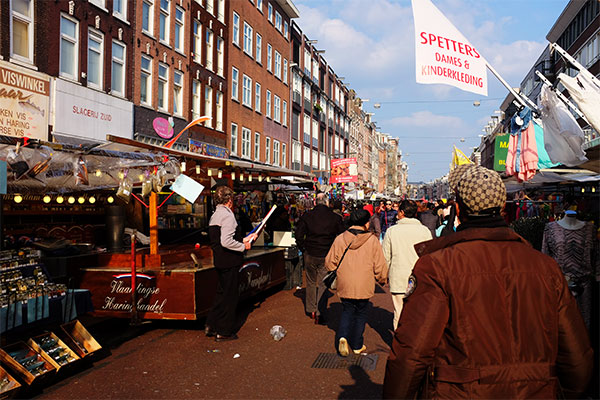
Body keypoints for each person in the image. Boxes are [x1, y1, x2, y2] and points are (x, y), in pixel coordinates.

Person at [383, 165, 593, 399]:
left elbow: (412, 352)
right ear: (503, 208)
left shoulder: (437, 266)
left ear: (459, 209)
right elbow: (577, 357)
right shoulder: (546, 268)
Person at [325, 210, 388, 356]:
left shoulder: (340, 238)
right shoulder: (372, 240)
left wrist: (338, 269)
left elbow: (329, 262)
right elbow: (379, 263)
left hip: (345, 281)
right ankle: (357, 344)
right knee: (361, 314)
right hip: (364, 282)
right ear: (366, 223)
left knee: (347, 311)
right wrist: (381, 278)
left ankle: (342, 336)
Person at [206, 185, 256, 342]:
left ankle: (211, 324)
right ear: (229, 200)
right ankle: (224, 331)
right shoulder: (228, 216)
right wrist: (243, 246)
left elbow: (222, 239)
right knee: (230, 296)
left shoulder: (215, 215)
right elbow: (226, 241)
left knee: (221, 294)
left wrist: (243, 239)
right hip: (229, 260)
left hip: (220, 260)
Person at [295, 193, 345, 324]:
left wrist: (303, 248)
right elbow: (342, 235)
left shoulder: (307, 216)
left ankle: (311, 308)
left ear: (315, 202)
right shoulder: (335, 218)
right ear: (327, 203)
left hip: (310, 252)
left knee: (311, 282)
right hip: (326, 253)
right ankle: (319, 312)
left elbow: (298, 234)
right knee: (323, 283)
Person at [382, 200, 432, 329]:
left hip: (398, 275)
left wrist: (384, 275)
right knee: (417, 311)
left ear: (402, 212)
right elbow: (429, 255)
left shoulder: (392, 231)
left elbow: (386, 257)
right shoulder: (424, 231)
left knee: (399, 311)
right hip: (419, 276)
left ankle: (399, 342)